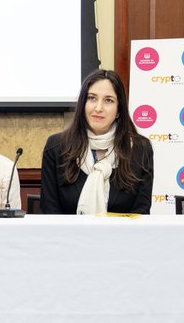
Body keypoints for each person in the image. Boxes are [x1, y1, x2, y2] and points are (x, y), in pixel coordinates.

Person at [41, 69, 153, 215]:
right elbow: (50, 212)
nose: (98, 108)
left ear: (119, 110)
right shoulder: (56, 147)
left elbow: (141, 212)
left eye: (108, 100)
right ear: (83, 104)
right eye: (92, 98)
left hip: (123, 237)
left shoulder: (140, 149)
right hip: (67, 237)